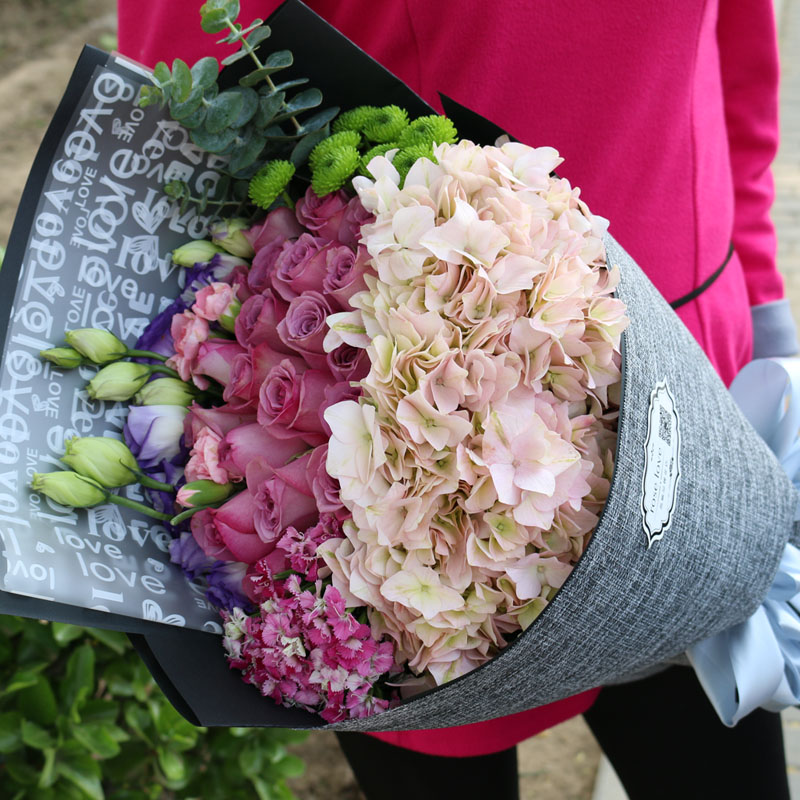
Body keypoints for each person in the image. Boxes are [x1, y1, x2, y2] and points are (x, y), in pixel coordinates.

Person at [117, 1, 798, 797]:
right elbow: (183, 145)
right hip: (411, 498)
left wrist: (758, 304)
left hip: (693, 417)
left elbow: (727, 52)